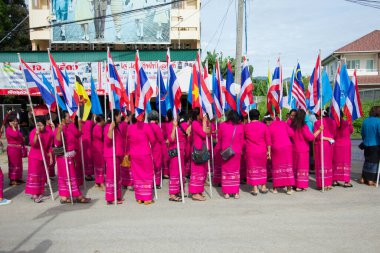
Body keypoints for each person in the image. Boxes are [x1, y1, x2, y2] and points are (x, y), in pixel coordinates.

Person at [55, 110, 91, 204]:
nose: (69, 118)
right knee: (69, 176)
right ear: (62, 119)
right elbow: (57, 143)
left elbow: (78, 134)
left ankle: (64, 197)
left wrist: (78, 125)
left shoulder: (70, 126)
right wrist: (59, 130)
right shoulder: (60, 128)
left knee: (69, 176)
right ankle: (77, 196)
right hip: (63, 157)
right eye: (67, 117)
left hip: (71, 155)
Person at [291, 109, 323, 191]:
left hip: (294, 148)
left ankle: (294, 184)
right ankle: (299, 185)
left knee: (295, 167)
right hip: (303, 149)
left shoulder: (292, 125)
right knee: (302, 167)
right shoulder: (303, 126)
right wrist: (319, 130)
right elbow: (311, 137)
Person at [127, 114, 156, 205]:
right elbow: (153, 139)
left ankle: (140, 197)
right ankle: (147, 198)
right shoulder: (146, 126)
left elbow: (128, 140)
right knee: (147, 174)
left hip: (134, 155)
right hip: (145, 154)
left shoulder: (130, 128)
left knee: (137, 175)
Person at [25, 116, 53, 203]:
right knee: (34, 175)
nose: (39, 127)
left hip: (44, 157)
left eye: (41, 125)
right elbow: (33, 144)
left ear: (45, 125)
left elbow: (49, 147)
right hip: (34, 157)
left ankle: (40, 192)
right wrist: (36, 135)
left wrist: (51, 156)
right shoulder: (33, 132)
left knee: (42, 176)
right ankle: (34, 194)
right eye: (37, 125)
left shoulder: (49, 133)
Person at [244, 109, 271, 196]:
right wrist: (269, 151)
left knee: (252, 168)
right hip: (262, 150)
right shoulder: (264, 126)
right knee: (262, 168)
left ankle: (255, 188)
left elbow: (243, 139)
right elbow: (268, 140)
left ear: (250, 117)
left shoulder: (246, 126)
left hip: (251, 150)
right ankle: (263, 187)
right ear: (259, 116)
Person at [219, 110, 244, 199]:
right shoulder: (240, 127)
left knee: (226, 171)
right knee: (235, 172)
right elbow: (242, 141)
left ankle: (226, 193)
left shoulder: (222, 125)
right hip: (236, 152)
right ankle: (236, 192)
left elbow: (220, 139)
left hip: (226, 151)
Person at [269, 114, 295, 195]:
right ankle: (289, 189)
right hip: (287, 147)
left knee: (276, 167)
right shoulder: (284, 123)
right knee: (287, 167)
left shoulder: (270, 126)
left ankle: (275, 188)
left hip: (276, 147)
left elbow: (268, 138)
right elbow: (292, 133)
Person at [188, 108, 210, 201]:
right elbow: (204, 134)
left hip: (202, 149)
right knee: (197, 172)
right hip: (198, 150)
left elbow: (208, 132)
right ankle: (195, 193)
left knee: (202, 171)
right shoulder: (195, 123)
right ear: (197, 115)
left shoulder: (198, 123)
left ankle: (199, 190)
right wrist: (205, 123)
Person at [166, 113, 189, 202]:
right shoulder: (170, 125)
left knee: (180, 171)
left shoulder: (179, 125)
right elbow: (171, 139)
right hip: (175, 152)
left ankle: (179, 191)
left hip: (181, 152)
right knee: (175, 172)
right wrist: (174, 127)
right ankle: (172, 194)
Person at [313, 109, 337, 191]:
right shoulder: (333, 122)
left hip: (321, 145)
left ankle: (321, 184)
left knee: (321, 164)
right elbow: (334, 134)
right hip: (329, 144)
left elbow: (316, 136)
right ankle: (328, 183)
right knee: (328, 163)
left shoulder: (317, 123)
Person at [104, 110, 124, 204]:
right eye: (119, 115)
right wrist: (110, 129)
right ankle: (110, 198)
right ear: (115, 116)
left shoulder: (117, 127)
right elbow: (108, 140)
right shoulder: (109, 126)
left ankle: (117, 196)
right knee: (112, 177)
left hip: (117, 156)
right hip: (111, 155)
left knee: (117, 176)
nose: (120, 116)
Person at [333, 112, 354, 187]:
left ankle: (335, 180)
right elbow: (351, 131)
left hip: (337, 144)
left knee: (336, 162)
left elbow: (333, 134)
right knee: (346, 162)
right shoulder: (347, 123)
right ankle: (346, 181)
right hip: (346, 145)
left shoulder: (334, 124)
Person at [360, 106, 380, 186]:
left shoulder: (365, 121)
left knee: (367, 161)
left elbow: (362, 133)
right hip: (376, 144)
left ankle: (363, 178)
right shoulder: (378, 121)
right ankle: (370, 180)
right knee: (374, 162)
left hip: (366, 144)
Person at [147, 111, 165, 189]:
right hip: (156, 148)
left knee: (150, 165)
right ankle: (156, 182)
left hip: (148, 147)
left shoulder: (146, 126)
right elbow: (161, 138)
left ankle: (150, 181)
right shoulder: (157, 127)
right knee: (157, 165)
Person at [5, 114, 24, 186]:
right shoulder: (8, 129)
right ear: (10, 122)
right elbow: (15, 135)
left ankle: (18, 178)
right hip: (12, 149)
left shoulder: (16, 129)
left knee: (19, 164)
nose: (15, 123)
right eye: (13, 121)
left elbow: (20, 137)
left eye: (16, 121)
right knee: (13, 164)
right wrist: (13, 128)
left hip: (18, 149)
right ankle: (12, 179)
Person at [120, 112, 133, 189]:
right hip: (127, 147)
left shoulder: (120, 125)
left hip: (121, 147)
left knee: (123, 166)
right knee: (128, 166)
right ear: (127, 117)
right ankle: (129, 183)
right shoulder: (127, 126)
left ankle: (124, 182)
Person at [92, 114, 106, 189]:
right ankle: (101, 182)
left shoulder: (97, 127)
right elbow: (101, 137)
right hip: (98, 149)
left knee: (98, 165)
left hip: (98, 148)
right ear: (102, 120)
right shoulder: (97, 128)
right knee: (100, 165)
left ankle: (98, 182)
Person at [82, 114, 94, 181]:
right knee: (89, 158)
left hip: (83, 141)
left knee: (85, 157)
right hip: (89, 142)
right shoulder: (90, 122)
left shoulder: (82, 122)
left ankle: (86, 174)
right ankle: (88, 175)